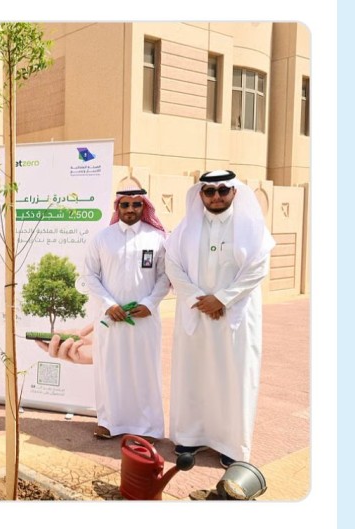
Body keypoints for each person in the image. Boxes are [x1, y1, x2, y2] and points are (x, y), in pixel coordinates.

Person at [164, 170, 275, 467]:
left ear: (234, 192)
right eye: (209, 191)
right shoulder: (185, 230)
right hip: (195, 314)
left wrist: (222, 299)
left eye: (223, 190)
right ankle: (190, 436)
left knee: (234, 378)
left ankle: (231, 444)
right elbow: (172, 265)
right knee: (193, 375)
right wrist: (198, 298)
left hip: (235, 318)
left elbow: (257, 268)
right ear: (200, 194)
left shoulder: (252, 228)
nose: (216, 196)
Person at [79, 188, 170, 440]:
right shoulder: (102, 238)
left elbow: (165, 276)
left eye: (136, 205)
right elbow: (90, 275)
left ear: (144, 207)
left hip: (145, 319)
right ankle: (109, 422)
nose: (130, 209)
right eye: (125, 204)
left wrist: (150, 303)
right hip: (111, 318)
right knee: (110, 369)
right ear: (117, 207)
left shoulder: (157, 238)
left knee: (145, 370)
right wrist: (109, 304)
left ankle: (149, 427)